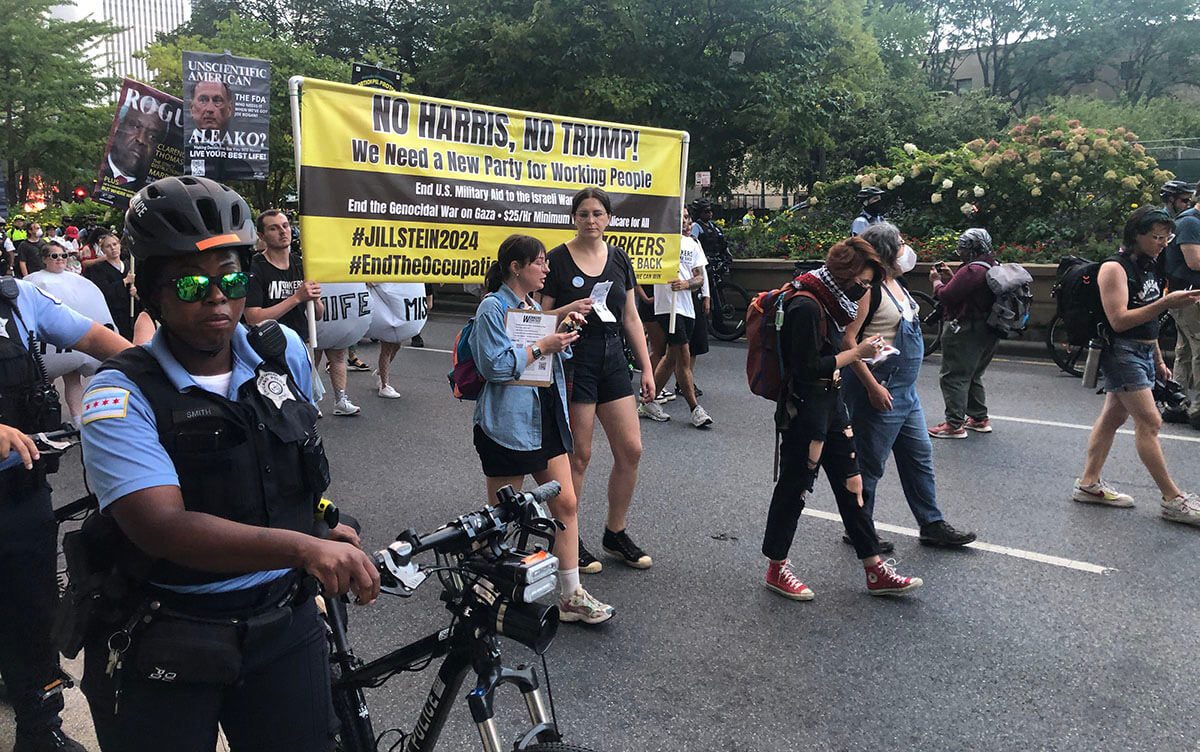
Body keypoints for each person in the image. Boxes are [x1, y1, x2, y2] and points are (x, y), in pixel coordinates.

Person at [78, 176, 379, 750]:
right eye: (192, 284)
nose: (218, 299)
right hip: (169, 631)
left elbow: (283, 464)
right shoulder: (118, 394)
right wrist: (304, 548)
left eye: (233, 279)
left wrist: (319, 521)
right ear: (151, 291)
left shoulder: (280, 351)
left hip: (283, 623)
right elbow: (162, 527)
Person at [0, 242, 131, 752]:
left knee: (33, 611)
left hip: (19, 489)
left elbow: (105, 343)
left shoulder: (23, 300)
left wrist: (176, 370)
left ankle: (40, 725)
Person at [761, 238, 923, 600]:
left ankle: (874, 567)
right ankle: (776, 567)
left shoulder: (833, 301)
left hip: (833, 402)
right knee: (795, 487)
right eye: (863, 282)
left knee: (854, 486)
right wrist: (857, 354)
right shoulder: (806, 305)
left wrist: (855, 353)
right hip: (806, 407)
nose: (864, 290)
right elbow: (807, 369)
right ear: (845, 274)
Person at [472, 234, 613, 623]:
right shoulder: (492, 307)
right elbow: (495, 367)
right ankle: (486, 592)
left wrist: (563, 333)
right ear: (515, 267)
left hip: (547, 415)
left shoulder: (531, 306)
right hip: (508, 424)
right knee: (502, 514)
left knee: (565, 503)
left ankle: (571, 596)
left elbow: (550, 358)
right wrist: (542, 346)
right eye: (539, 262)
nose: (546, 269)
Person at [539, 187, 656, 574]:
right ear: (573, 217)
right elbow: (539, 321)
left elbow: (632, 318)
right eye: (583, 213)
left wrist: (647, 368)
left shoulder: (619, 258)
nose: (591, 220)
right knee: (579, 457)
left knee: (631, 449)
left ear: (608, 218)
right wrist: (569, 311)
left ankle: (615, 531)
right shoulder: (556, 260)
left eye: (597, 213)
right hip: (575, 359)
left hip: (612, 359)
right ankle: (568, 540)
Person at [845, 223, 977, 549]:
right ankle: (859, 529)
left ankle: (931, 524)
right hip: (882, 390)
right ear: (888, 252)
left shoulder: (897, 285)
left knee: (919, 457)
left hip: (906, 392)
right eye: (901, 244)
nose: (906, 249)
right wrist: (873, 388)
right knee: (870, 464)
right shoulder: (868, 290)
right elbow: (848, 340)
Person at [1072, 207, 1200, 522]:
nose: (1162, 242)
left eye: (1165, 237)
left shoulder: (1153, 266)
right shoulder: (1114, 269)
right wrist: (1166, 303)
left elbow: (1147, 317)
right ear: (1136, 236)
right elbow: (1118, 321)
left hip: (1142, 352)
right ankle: (1173, 499)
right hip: (1120, 351)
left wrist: (1157, 357)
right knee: (1150, 422)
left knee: (1113, 418)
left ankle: (1088, 483)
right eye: (1155, 237)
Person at [639, 207, 713, 427]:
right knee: (683, 354)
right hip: (667, 307)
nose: (683, 221)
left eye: (686, 218)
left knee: (671, 357)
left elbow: (699, 278)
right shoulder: (660, 240)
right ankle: (695, 408)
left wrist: (686, 285)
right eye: (678, 218)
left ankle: (648, 402)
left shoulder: (693, 244)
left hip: (687, 307)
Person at [928, 228, 999, 439]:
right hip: (989, 329)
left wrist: (935, 281)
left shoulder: (972, 271)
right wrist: (952, 277)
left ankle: (954, 424)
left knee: (953, 376)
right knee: (973, 374)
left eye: (961, 248)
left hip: (966, 329)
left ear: (970, 249)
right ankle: (978, 418)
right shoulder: (991, 265)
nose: (959, 252)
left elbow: (947, 296)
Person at [244, 209, 325, 339]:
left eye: (285, 225)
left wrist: (315, 301)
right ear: (261, 236)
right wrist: (297, 298)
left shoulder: (301, 264)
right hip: (268, 345)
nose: (282, 231)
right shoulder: (254, 268)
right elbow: (253, 318)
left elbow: (318, 315)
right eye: (273, 228)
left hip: (300, 341)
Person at [1158, 183, 1200, 428]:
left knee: (1185, 352)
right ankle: (1197, 411)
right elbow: (1194, 262)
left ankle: (1176, 404)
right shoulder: (1190, 223)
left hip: (1187, 296)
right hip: (1188, 296)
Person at [102, 105, 167, 191]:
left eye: (152, 136)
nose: (141, 139)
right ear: (118, 126)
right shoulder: (95, 163)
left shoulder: (152, 191)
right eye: (136, 127)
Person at [83, 232, 135, 340]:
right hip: (114, 313)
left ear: (119, 245)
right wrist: (124, 282)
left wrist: (136, 292)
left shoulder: (129, 265)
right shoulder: (98, 269)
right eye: (108, 246)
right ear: (102, 250)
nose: (113, 248)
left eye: (115, 244)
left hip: (132, 311)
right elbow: (103, 291)